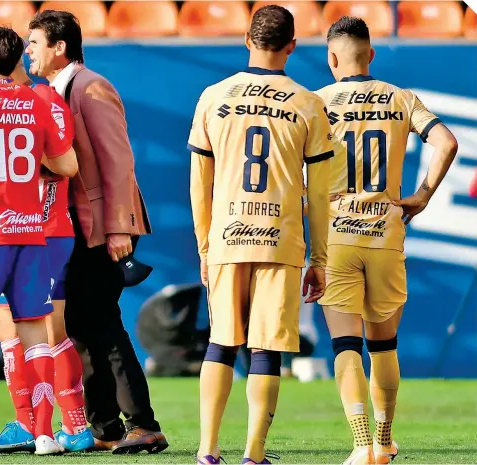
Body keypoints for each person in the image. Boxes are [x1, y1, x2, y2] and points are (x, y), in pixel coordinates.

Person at [188, 6, 335, 464]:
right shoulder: (309, 103)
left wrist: (205, 247)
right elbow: (320, 194)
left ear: (246, 40)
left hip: (229, 235)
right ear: (292, 46)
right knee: (267, 348)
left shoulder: (214, 96)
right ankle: (254, 453)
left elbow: (199, 182)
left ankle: (208, 450)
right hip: (281, 237)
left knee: (221, 341)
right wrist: (321, 259)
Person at [316, 17, 458, 465]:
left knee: (345, 346)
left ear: (332, 58)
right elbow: (447, 143)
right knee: (383, 346)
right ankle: (384, 440)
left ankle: (360, 443)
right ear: (372, 54)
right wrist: (422, 196)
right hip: (386, 232)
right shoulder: (401, 97)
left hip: (337, 235)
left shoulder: (317, 103)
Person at [25, 10, 167, 453]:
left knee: (103, 326)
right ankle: (105, 428)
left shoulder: (91, 86)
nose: (28, 51)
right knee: (84, 329)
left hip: (102, 228)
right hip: (80, 229)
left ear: (59, 47)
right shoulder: (60, 90)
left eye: (34, 43)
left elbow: (118, 161)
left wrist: (119, 228)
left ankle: (143, 424)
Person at [0, 25, 78, 456]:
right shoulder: (38, 102)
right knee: (34, 335)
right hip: (32, 236)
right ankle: (44, 434)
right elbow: (64, 164)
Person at [0, 58, 94, 453]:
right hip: (24, 230)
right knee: (31, 329)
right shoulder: (11, 102)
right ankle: (55, 424)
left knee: (31, 330)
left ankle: (41, 424)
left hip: (40, 231)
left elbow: (65, 165)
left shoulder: (41, 99)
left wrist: (21, 146)